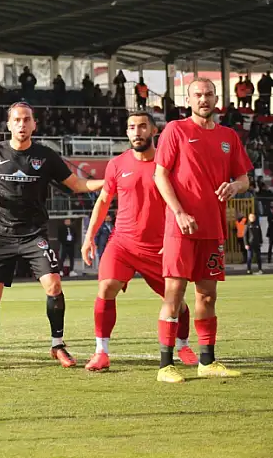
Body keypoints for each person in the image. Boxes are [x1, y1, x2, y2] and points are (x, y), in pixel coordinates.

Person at [0, 102, 104, 372]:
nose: (22, 124)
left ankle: (57, 344)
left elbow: (76, 184)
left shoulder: (46, 156)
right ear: (9, 124)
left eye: (27, 120)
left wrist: (109, 182)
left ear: (34, 124)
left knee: (54, 285)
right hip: (0, 235)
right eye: (17, 120)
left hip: (33, 235)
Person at [152, 78, 252, 383]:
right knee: (174, 293)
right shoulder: (176, 130)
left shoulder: (228, 136)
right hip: (181, 227)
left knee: (207, 296)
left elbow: (245, 178)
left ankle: (207, 361)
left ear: (216, 98)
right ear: (188, 99)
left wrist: (236, 185)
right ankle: (165, 365)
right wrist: (179, 212)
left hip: (212, 228)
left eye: (208, 94)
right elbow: (160, 175)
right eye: (198, 95)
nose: (203, 99)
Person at [80, 112, 197, 372]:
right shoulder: (116, 164)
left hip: (160, 245)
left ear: (154, 131)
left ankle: (183, 344)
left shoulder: (170, 164)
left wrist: (176, 236)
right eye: (131, 127)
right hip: (122, 243)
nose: (137, 132)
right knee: (106, 287)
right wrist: (89, 237)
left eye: (143, 126)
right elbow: (102, 202)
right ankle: (101, 352)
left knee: (177, 301)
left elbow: (185, 201)